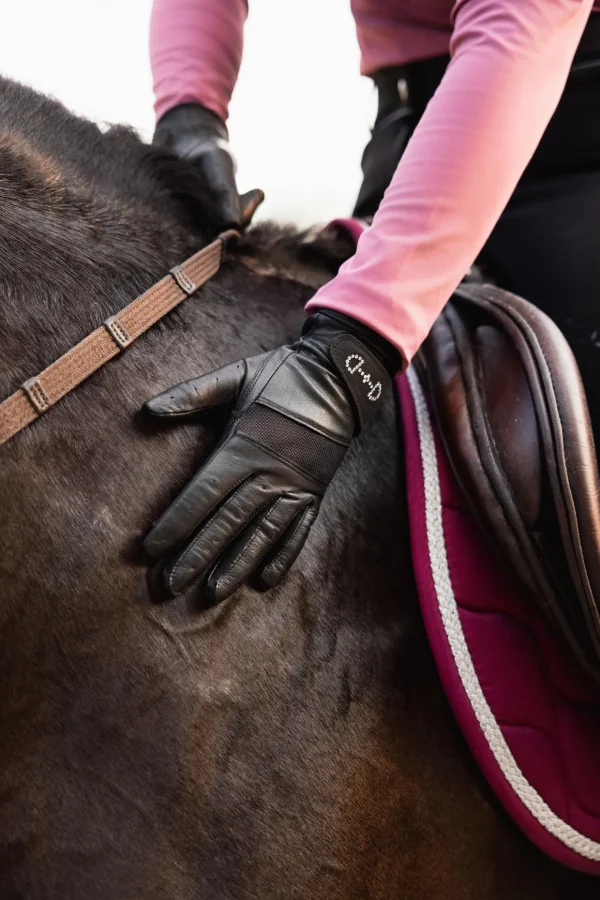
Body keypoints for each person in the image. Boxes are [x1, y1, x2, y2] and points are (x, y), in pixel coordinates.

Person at [145, 0, 599, 604]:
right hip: (413, 144)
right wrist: (189, 112)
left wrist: (344, 362)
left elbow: (523, 19)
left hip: (572, 144)